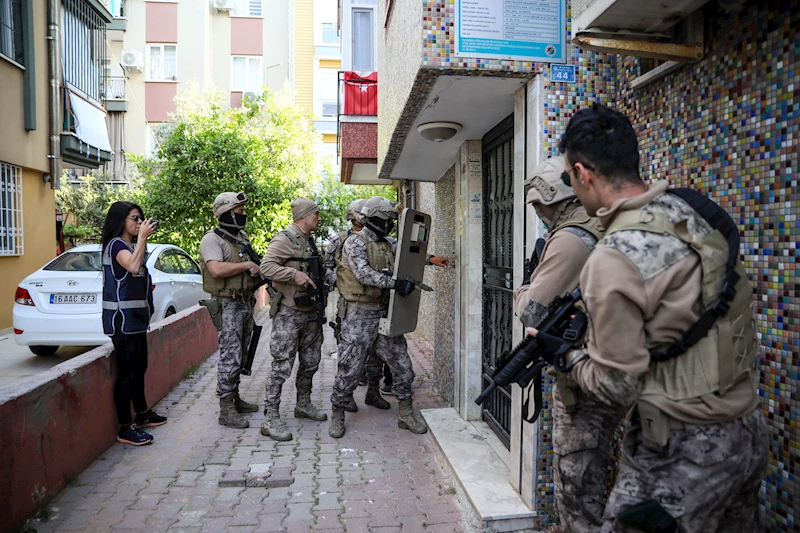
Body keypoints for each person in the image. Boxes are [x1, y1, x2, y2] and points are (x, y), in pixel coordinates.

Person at [528, 103, 767, 532]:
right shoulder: (690, 214)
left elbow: (618, 386)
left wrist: (566, 356)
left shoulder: (614, 255)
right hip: (745, 429)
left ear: (583, 174)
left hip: (683, 450)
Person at [512, 156, 620, 533]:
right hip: (612, 369)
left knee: (576, 484)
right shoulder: (607, 222)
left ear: (556, 197)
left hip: (584, 375)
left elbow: (533, 313)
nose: (540, 215)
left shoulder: (572, 237)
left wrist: (522, 288)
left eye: (541, 206)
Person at [328, 196, 429, 438]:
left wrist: (430, 260)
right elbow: (363, 274)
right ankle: (338, 413)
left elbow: (410, 255)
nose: (391, 224)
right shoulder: (355, 243)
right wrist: (395, 283)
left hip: (385, 314)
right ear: (373, 219)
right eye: (388, 219)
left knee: (403, 367)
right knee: (349, 370)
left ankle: (405, 413)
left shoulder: (389, 243)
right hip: (359, 316)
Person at [259, 198, 328, 441]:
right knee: (281, 366)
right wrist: (293, 274)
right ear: (304, 215)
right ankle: (270, 417)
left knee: (311, 362)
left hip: (311, 312)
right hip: (289, 313)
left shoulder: (309, 241)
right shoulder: (284, 239)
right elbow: (265, 267)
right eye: (316, 214)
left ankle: (303, 405)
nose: (319, 218)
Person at [101, 201, 167, 446]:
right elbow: (133, 265)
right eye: (135, 218)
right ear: (121, 220)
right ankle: (125, 426)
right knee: (127, 373)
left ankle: (142, 413)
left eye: (141, 218)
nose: (140, 223)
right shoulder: (117, 245)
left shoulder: (130, 245)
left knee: (140, 368)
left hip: (136, 321)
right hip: (122, 321)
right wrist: (141, 239)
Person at [199, 192, 261, 429]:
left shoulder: (240, 238)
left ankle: (234, 398)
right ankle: (226, 409)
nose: (244, 215)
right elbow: (215, 269)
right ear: (225, 213)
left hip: (244, 302)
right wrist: (246, 265)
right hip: (227, 304)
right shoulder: (212, 240)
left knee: (242, 354)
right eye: (239, 212)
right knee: (231, 356)